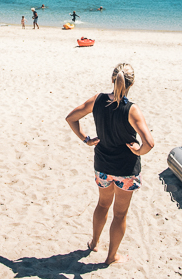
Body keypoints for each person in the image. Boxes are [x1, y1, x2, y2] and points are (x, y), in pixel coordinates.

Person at [65, 63, 154, 266]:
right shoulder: (131, 109)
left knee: (102, 204)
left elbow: (71, 118)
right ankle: (111, 256)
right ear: (131, 83)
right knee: (120, 213)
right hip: (125, 170)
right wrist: (138, 151)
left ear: (112, 79)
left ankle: (94, 242)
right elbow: (149, 143)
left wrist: (85, 139)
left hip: (103, 165)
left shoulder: (97, 100)